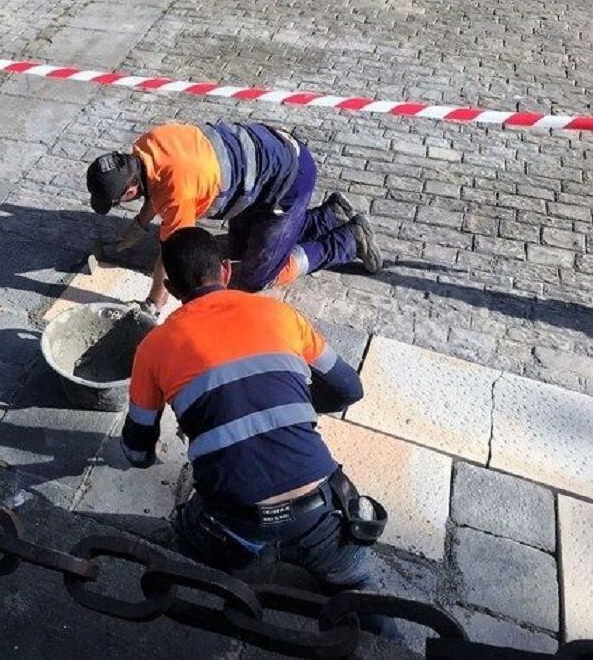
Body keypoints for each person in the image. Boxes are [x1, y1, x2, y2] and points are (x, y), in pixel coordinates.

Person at [120, 227, 396, 638]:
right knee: (361, 591)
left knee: (181, 545)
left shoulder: (154, 348)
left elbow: (136, 451)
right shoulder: (281, 315)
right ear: (226, 272)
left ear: (173, 288)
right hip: (321, 515)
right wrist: (290, 406)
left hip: (231, 525)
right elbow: (348, 389)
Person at [86, 121, 382, 314]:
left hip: (288, 181)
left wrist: (153, 303)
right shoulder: (148, 146)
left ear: (130, 189)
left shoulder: (177, 188)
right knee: (239, 249)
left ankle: (348, 241)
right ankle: (329, 216)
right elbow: (156, 188)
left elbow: (173, 250)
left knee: (256, 277)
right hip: (263, 162)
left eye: (116, 201)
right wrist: (139, 225)